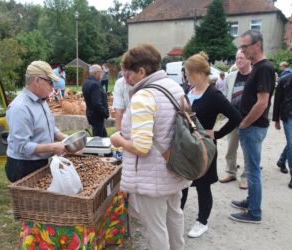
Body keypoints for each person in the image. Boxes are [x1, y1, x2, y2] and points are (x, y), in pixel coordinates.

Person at [110, 44, 191, 250]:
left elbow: (142, 147)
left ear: (142, 71)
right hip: (176, 167)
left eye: (129, 73)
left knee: (155, 228)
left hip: (152, 178)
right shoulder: (175, 87)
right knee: (174, 216)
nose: (127, 78)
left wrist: (118, 139)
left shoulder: (144, 97)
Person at [181, 52, 241, 238]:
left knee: (202, 185)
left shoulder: (213, 94)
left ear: (198, 72)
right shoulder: (190, 90)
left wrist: (217, 133)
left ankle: (202, 222)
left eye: (188, 72)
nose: (186, 76)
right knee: (182, 183)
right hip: (187, 144)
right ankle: (177, 215)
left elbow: (236, 117)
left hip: (203, 147)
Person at [230, 30, 275, 223]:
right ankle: (250, 201)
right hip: (252, 126)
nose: (242, 50)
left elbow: (262, 102)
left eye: (245, 46)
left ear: (257, 45)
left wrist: (245, 122)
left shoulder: (264, 68)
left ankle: (254, 212)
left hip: (253, 127)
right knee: (250, 168)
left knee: (253, 171)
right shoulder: (258, 66)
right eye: (241, 46)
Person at [5, 61, 67, 182]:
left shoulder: (41, 101)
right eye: (50, 82)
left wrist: (67, 139)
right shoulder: (20, 108)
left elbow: (51, 128)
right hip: (23, 166)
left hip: (39, 161)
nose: (53, 86)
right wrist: (52, 147)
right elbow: (22, 146)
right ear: (37, 81)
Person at [219, 50, 252, 189]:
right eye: (237, 58)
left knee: (247, 150)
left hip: (249, 120)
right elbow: (226, 95)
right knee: (231, 148)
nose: (238, 60)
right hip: (233, 119)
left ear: (249, 59)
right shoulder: (230, 76)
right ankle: (230, 172)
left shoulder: (255, 75)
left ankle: (245, 177)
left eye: (241, 58)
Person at [273, 73, 292, 188]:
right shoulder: (284, 80)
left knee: (291, 143)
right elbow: (277, 100)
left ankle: (281, 161)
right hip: (288, 116)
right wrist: (276, 119)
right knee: (291, 143)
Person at [82, 64, 109, 137]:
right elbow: (97, 103)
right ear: (97, 72)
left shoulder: (86, 82)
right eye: (101, 71)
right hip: (97, 116)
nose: (102, 73)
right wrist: (105, 113)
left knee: (104, 136)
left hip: (91, 114)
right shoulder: (95, 84)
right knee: (98, 140)